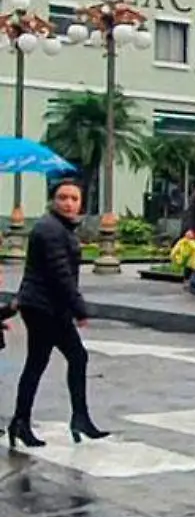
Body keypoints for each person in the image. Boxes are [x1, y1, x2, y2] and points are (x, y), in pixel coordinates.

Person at [7, 178, 105, 448]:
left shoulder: (59, 228)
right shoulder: (50, 230)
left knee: (55, 360)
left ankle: (70, 418)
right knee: (55, 360)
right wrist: (80, 309)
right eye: (63, 198)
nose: (69, 203)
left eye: (74, 198)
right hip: (44, 307)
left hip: (47, 306)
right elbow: (60, 274)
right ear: (53, 201)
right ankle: (28, 421)